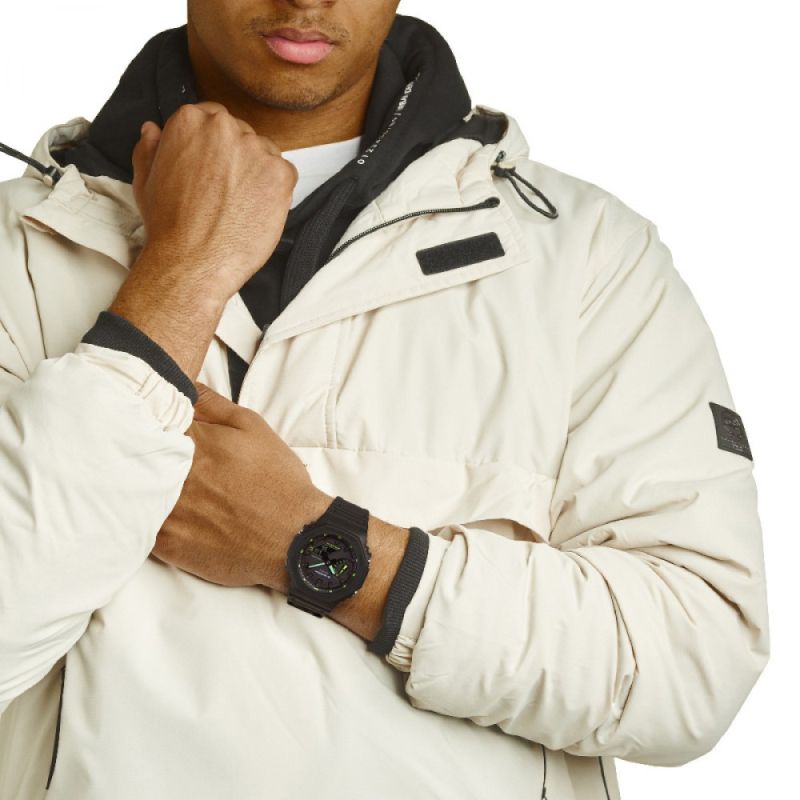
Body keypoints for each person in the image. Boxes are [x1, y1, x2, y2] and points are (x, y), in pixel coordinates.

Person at [0, 1, 769, 799]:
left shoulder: (588, 258)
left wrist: (310, 545)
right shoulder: (12, 247)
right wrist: (183, 272)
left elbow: (692, 665)